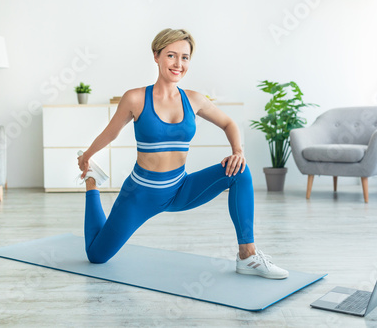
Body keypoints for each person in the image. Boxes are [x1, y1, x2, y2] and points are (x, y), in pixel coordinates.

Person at [77, 28, 288, 279]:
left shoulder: (194, 99)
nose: (178, 64)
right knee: (97, 257)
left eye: (185, 57)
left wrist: (238, 152)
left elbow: (229, 123)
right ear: (156, 56)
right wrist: (87, 156)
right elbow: (111, 133)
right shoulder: (135, 98)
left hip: (180, 188)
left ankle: (248, 255)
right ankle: (93, 183)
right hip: (141, 194)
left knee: (239, 171)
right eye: (171, 56)